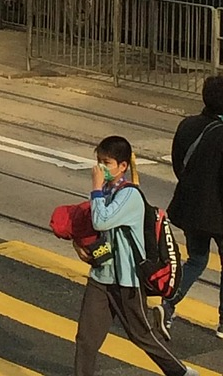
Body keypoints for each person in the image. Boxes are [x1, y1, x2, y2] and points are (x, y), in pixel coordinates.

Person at [73, 134, 195, 376]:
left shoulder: (130, 196)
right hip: (101, 277)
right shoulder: (107, 190)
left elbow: (101, 221)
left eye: (106, 163)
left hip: (127, 281)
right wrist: (86, 250)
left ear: (123, 166)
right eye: (98, 161)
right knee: (86, 340)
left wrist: (95, 188)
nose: (100, 168)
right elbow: (105, 238)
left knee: (142, 336)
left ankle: (181, 372)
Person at [164, 75, 223, 334]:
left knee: (196, 260)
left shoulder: (187, 125)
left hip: (190, 209)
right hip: (219, 214)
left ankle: (167, 303)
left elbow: (179, 165)